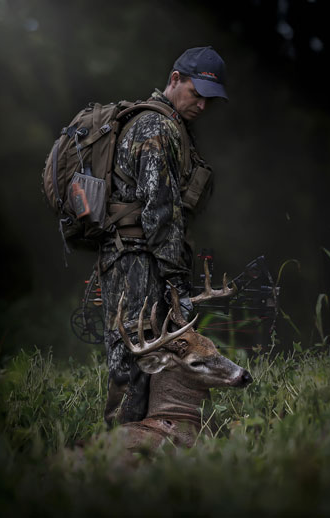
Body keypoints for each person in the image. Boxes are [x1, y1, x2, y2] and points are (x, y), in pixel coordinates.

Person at [99, 46, 228, 426]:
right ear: (175, 80)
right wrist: (177, 282)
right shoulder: (156, 126)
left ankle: (147, 456)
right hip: (136, 260)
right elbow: (160, 211)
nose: (202, 106)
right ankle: (117, 456)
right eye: (197, 95)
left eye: (210, 100)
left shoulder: (171, 127)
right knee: (134, 366)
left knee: (151, 364)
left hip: (141, 256)